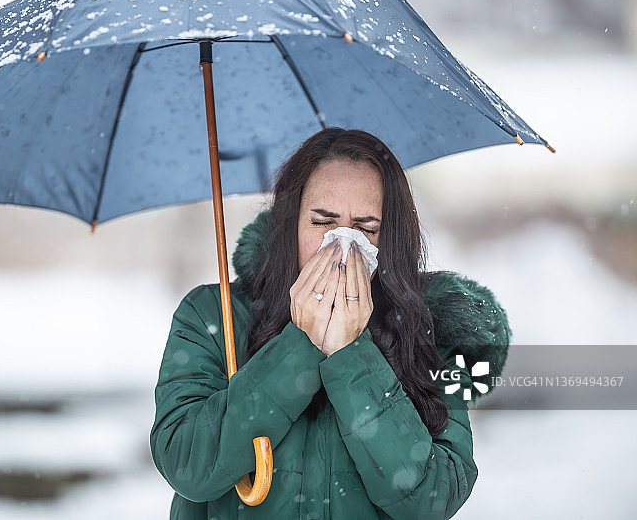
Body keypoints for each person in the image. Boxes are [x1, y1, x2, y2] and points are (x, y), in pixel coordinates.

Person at [150, 128, 511, 519]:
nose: (342, 247)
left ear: (391, 239)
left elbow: (433, 498)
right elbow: (186, 463)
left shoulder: (434, 331)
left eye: (367, 229)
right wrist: (300, 345)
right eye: (323, 222)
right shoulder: (210, 316)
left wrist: (351, 353)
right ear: (289, 225)